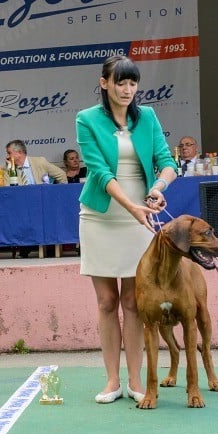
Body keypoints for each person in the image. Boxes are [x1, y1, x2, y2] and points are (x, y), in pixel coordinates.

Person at [76, 55, 177, 404]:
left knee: (133, 301)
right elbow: (99, 171)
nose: (127, 89)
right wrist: (130, 206)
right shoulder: (87, 119)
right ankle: (111, 381)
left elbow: (167, 162)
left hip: (141, 217)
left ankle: (135, 380)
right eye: (120, 82)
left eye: (132, 83)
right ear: (104, 83)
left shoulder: (147, 116)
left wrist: (157, 189)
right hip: (101, 215)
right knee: (107, 301)